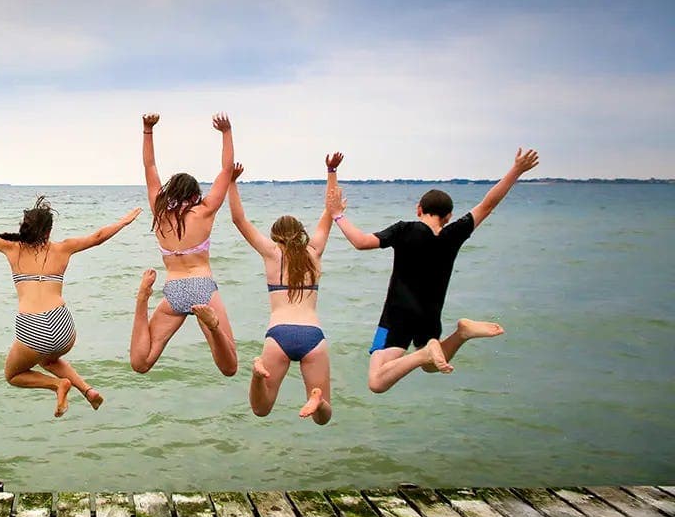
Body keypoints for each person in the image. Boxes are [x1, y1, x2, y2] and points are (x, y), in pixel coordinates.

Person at [329, 148, 541, 393]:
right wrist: (517, 170)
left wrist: (338, 215)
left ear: (419, 209)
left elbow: (361, 242)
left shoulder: (405, 229)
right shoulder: (454, 234)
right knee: (431, 365)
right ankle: (460, 334)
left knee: (377, 382)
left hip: (398, 315)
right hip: (430, 315)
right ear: (448, 216)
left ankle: (426, 352)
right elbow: (488, 204)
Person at [0, 198, 141, 416]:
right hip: (63, 327)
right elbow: (98, 237)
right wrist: (123, 222)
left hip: (33, 327)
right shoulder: (64, 248)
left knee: (13, 375)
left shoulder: (12, 248)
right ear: (48, 231)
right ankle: (87, 390)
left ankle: (58, 385)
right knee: (48, 359)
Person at [230, 154, 344, 424]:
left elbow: (239, 220)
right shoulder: (314, 251)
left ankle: (257, 375)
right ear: (301, 232)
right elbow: (330, 211)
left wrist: (232, 183)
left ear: (275, 236)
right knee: (323, 417)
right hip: (313, 335)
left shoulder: (271, 253)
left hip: (278, 335)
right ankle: (317, 399)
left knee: (261, 409)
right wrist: (331, 171)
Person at [130, 113, 237, 376]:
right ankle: (212, 326)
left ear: (170, 192)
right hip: (202, 287)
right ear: (195, 194)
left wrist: (147, 129)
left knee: (141, 363)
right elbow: (226, 170)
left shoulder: (160, 213)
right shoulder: (205, 211)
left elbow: (149, 167)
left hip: (174, 288)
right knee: (230, 367)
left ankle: (142, 300)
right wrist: (226, 132)